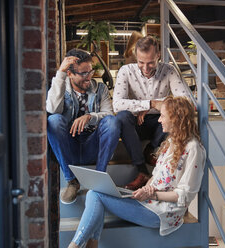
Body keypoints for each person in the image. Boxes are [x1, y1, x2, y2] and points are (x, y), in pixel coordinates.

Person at [67, 96, 206, 248]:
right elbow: (155, 177)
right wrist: (145, 189)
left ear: (176, 119)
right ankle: (88, 245)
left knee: (95, 195)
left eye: (163, 116)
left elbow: (184, 196)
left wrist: (152, 194)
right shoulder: (171, 142)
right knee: (96, 191)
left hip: (163, 213)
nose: (159, 120)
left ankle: (75, 245)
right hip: (148, 201)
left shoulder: (193, 148)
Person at [113, 35, 192, 190]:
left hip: (159, 123)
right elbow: (117, 105)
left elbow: (186, 101)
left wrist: (154, 106)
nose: (146, 68)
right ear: (136, 56)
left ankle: (153, 149)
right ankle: (142, 170)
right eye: (141, 62)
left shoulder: (169, 70)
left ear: (158, 56)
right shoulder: (126, 71)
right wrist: (149, 103)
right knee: (122, 117)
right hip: (135, 124)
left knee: (176, 115)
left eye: (151, 63)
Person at [47, 48, 120, 204]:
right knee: (54, 120)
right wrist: (60, 72)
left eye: (90, 71)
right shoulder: (62, 88)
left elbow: (108, 114)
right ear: (70, 74)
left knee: (112, 122)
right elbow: (52, 109)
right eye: (83, 74)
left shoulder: (100, 89)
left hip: (91, 146)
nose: (89, 77)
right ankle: (72, 181)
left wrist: (90, 117)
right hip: (69, 148)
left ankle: (99, 180)